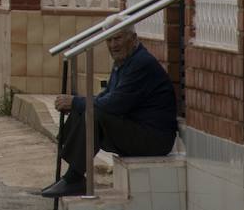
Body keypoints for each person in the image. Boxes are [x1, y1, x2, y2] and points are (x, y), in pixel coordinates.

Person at [41, 26, 177, 199]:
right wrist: (77, 104)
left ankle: (73, 178)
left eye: (118, 39)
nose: (113, 45)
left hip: (155, 139)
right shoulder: (124, 62)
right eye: (109, 40)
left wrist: (76, 102)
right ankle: (70, 177)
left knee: (92, 112)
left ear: (133, 39)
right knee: (84, 108)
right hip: (138, 129)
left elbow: (115, 105)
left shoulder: (141, 63)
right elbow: (106, 97)